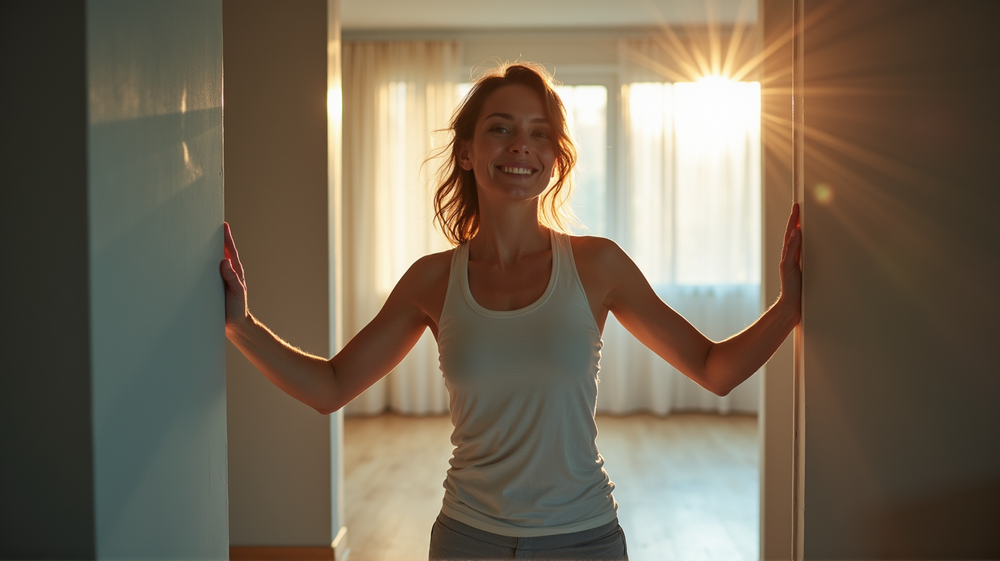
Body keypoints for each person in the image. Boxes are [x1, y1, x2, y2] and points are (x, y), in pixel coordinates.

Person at [221, 62, 802, 560]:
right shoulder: (432, 279)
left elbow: (714, 369)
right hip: (467, 540)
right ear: (469, 152)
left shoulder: (598, 266)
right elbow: (330, 386)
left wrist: (789, 306)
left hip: (583, 541)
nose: (520, 144)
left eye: (538, 132)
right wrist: (240, 326)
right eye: (500, 129)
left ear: (555, 157)